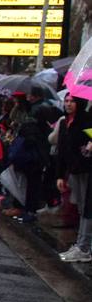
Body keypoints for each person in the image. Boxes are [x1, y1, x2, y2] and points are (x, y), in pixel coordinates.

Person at [56, 97, 92, 263]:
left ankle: (83, 246)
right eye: (66, 100)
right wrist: (61, 175)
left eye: (72, 101)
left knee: (87, 208)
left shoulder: (87, 120)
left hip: (86, 169)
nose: (68, 104)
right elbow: (61, 150)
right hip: (74, 170)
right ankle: (82, 244)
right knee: (81, 207)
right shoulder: (64, 122)